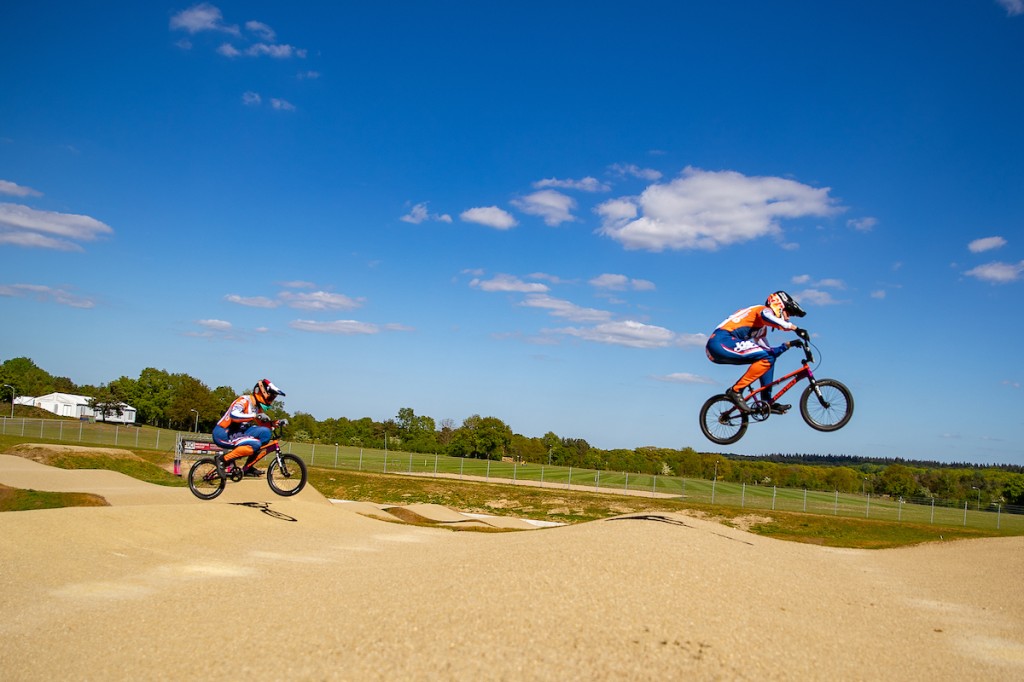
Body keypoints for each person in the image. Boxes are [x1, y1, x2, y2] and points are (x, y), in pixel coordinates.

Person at [705, 291, 807, 414]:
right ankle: (736, 390)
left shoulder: (761, 329)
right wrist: (795, 328)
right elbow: (767, 316)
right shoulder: (763, 310)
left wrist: (787, 345)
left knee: (769, 358)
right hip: (721, 341)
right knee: (768, 357)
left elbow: (768, 352)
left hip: (721, 346)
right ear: (779, 305)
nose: (787, 317)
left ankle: (767, 402)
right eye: (788, 313)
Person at [212, 378, 286, 477]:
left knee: (265, 433)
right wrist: (255, 416)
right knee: (255, 443)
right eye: (270, 397)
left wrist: (275, 423)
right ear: (261, 392)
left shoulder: (256, 408)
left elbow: (263, 425)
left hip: (237, 432)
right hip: (223, 433)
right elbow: (234, 416)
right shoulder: (243, 401)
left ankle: (248, 467)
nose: (271, 401)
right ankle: (221, 460)